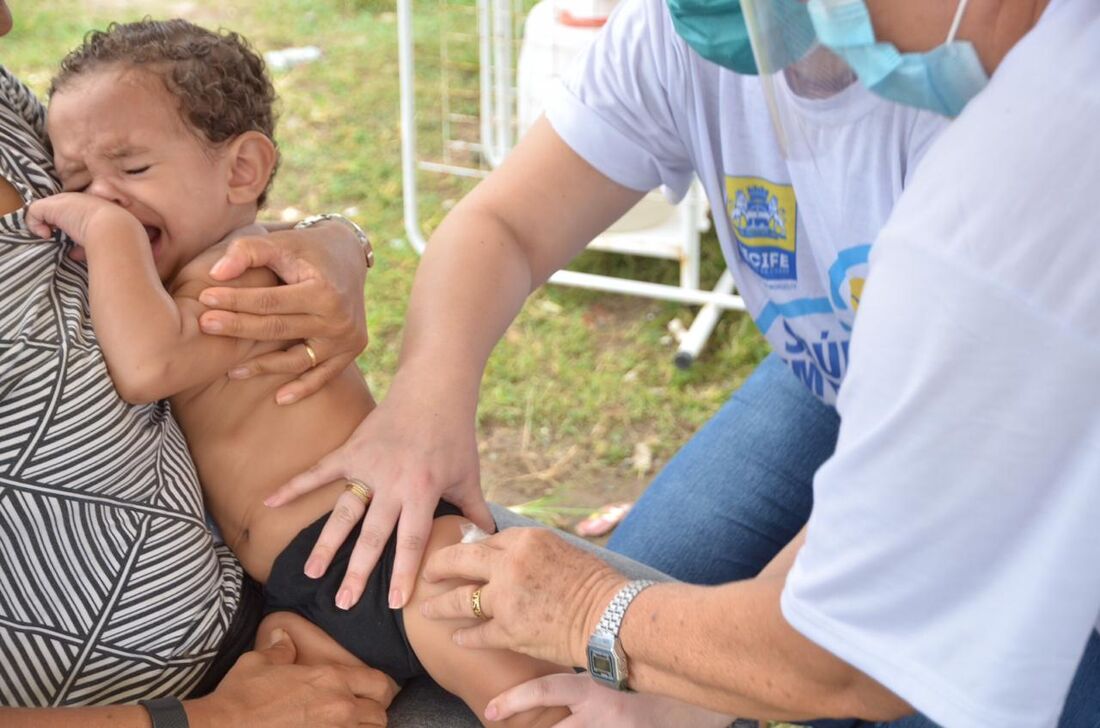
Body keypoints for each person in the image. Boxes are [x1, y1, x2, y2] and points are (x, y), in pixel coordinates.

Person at [223, 0, 1100, 724]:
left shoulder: (1009, 187)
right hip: (838, 378)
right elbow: (504, 223)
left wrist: (605, 621)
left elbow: (845, 646)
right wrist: (422, 400)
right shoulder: (687, 35)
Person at [27, 18, 569, 727]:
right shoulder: (180, 286)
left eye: (131, 171)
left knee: (532, 705)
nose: (104, 196)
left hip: (384, 550)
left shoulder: (243, 279)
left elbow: (145, 366)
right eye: (79, 181)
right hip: (299, 587)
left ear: (242, 171)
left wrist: (106, 232)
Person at [0, 4, 397, 725]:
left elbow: (195, 199)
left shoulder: (11, 114)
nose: (6, 17)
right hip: (249, 660)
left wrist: (332, 242)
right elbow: (149, 360)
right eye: (78, 184)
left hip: (324, 585)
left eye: (127, 171)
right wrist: (207, 721)